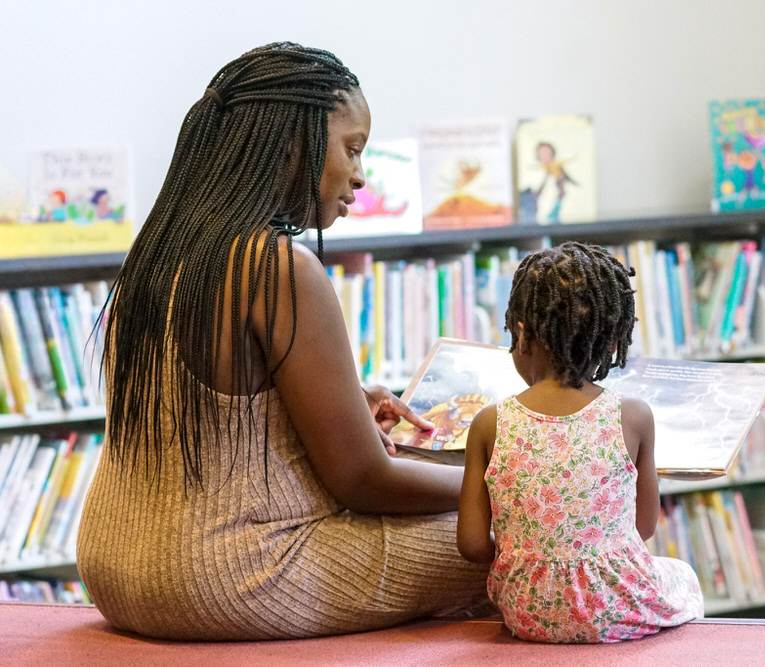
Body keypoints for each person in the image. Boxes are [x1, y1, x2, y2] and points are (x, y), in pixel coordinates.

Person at [76, 42, 491, 641]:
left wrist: (348, 403)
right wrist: (504, 481)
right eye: (351, 149)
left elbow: (213, 427)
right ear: (294, 144)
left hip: (115, 567)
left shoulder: (154, 256)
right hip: (230, 577)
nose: (359, 173)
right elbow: (363, 480)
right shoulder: (277, 267)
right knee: (534, 540)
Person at [457, 241, 704, 643]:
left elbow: (470, 544)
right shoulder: (634, 416)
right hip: (617, 609)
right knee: (683, 576)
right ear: (611, 341)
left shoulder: (490, 423)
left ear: (521, 334)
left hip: (527, 614)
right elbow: (642, 527)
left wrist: (525, 554)